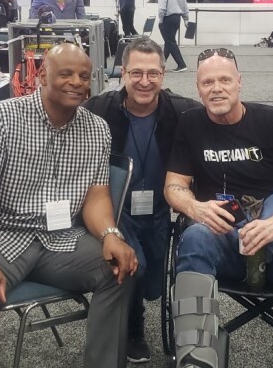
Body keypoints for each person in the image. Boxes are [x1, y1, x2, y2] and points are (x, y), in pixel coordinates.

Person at [0, 43, 138, 368]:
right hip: (2, 235)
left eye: (84, 76)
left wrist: (110, 233)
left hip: (62, 240)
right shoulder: (1, 118)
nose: (76, 81)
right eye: (66, 73)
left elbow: (95, 196)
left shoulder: (97, 130)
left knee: (122, 271)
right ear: (42, 76)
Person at [164, 47, 273, 368]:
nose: (217, 88)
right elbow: (173, 186)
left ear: (240, 82)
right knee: (195, 236)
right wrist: (196, 208)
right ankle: (197, 358)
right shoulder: (189, 125)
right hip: (224, 240)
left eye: (225, 80)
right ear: (198, 87)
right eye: (208, 82)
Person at [84, 38, 201, 363]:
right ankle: (132, 329)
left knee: (154, 286)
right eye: (136, 73)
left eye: (153, 73)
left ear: (163, 74)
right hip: (116, 209)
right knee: (134, 266)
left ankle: (146, 309)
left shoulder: (182, 111)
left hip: (162, 209)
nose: (145, 81)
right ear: (123, 72)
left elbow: (226, 128)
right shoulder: (99, 109)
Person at [157, 0, 190, 72]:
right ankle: (161, 64)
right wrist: (185, 19)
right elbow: (185, 6)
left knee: (170, 41)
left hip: (167, 18)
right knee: (169, 41)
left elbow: (162, 8)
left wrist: (161, 20)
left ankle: (181, 64)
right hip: (177, 19)